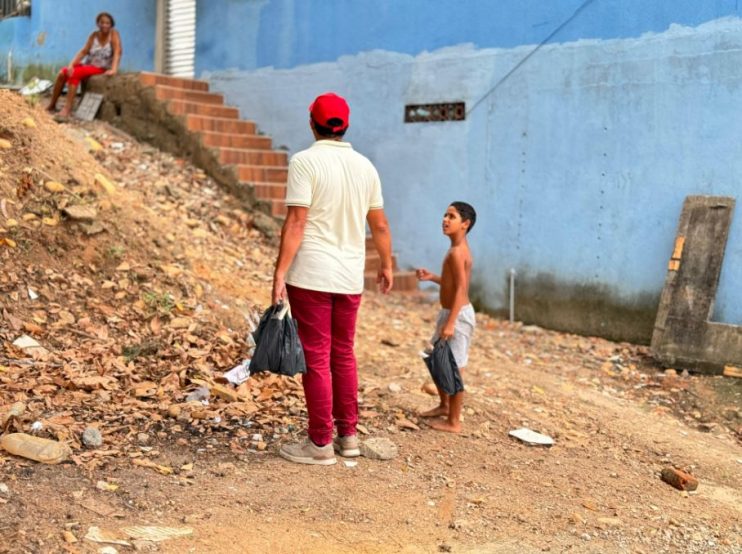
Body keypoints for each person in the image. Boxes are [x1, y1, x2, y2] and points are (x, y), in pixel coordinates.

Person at [272, 92, 393, 465]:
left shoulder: (305, 163)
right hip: (349, 276)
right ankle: (348, 437)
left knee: (317, 357)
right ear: (346, 125)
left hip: (311, 274)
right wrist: (386, 264)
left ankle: (320, 443)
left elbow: (297, 221)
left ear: (311, 122)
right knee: (344, 353)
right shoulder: (366, 167)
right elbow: (381, 224)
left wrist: (279, 272)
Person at [417, 201, 477, 433]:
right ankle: (444, 405)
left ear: (465, 224)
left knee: (454, 366)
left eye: (451, 216)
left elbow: (462, 289)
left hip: (458, 315)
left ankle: (454, 422)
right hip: (450, 312)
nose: (445, 219)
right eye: (445, 215)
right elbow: (453, 284)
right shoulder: (456, 249)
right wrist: (433, 277)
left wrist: (451, 323)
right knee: (435, 358)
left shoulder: (457, 252)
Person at [46, 12, 122, 119]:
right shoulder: (94, 35)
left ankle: (67, 109)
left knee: (75, 74)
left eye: (107, 23)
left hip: (101, 68)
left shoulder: (113, 34)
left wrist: (114, 69)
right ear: (98, 24)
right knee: (63, 73)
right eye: (102, 22)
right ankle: (52, 104)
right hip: (88, 66)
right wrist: (71, 65)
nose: (104, 25)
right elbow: (83, 52)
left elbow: (117, 51)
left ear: (111, 25)